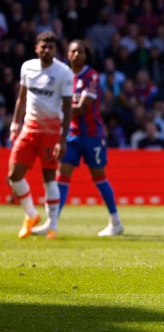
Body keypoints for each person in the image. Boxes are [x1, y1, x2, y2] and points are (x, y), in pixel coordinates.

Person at [31, 40, 124, 237]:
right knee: (62, 177)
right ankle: (52, 223)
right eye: (72, 51)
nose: (76, 55)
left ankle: (115, 222)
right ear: (67, 54)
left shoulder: (91, 76)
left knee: (99, 177)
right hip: (71, 136)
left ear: (85, 55)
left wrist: (52, 108)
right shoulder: (63, 76)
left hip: (92, 136)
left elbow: (82, 108)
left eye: (80, 52)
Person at [7, 31, 73, 239]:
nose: (46, 50)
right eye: (43, 46)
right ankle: (31, 215)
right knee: (14, 176)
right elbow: (22, 97)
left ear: (55, 50)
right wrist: (14, 125)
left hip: (51, 133)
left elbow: (68, 107)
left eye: (51, 47)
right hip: (28, 129)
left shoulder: (63, 73)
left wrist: (63, 139)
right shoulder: (27, 67)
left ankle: (52, 225)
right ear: (36, 48)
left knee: (49, 178)